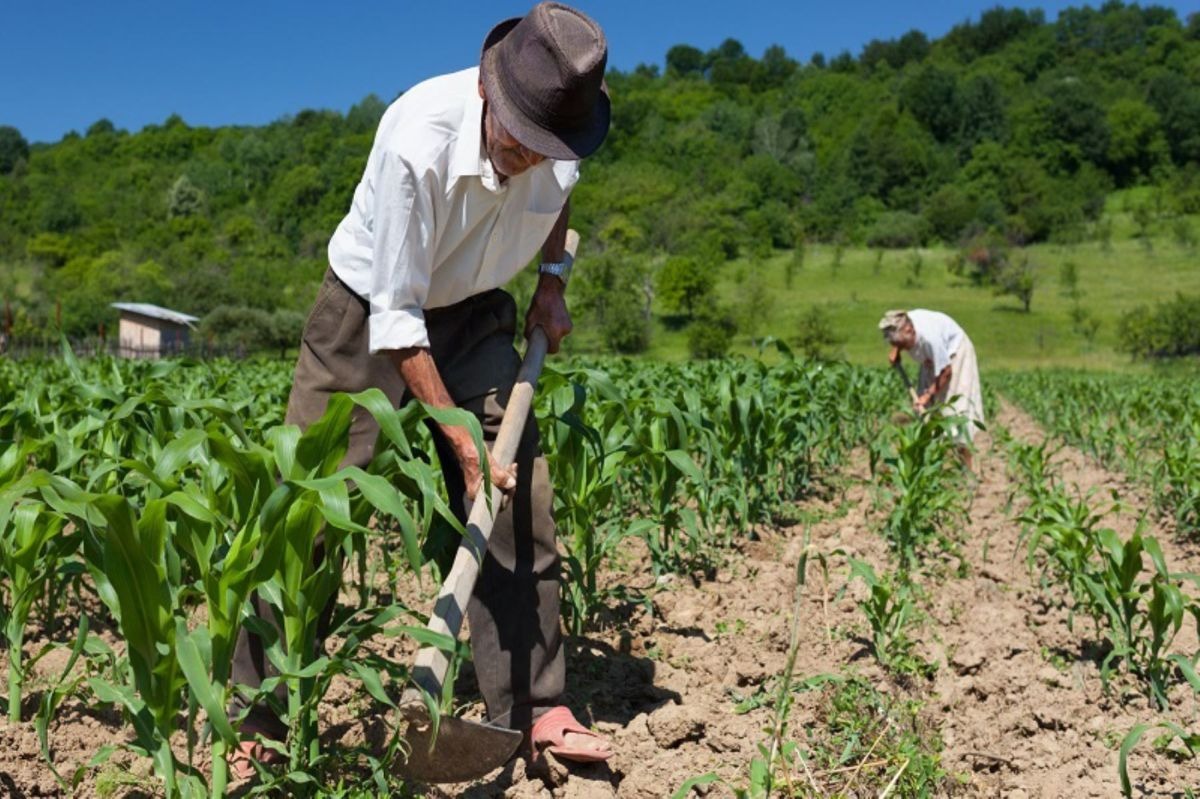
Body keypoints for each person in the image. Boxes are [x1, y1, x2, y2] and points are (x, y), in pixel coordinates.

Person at [228, 1, 613, 778]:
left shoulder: (562, 135)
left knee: (518, 493)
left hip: (475, 308)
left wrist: (551, 280)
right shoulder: (417, 139)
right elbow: (398, 320)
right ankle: (257, 710)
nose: (528, 159)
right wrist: (458, 441)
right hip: (370, 307)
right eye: (517, 140)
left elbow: (559, 196)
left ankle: (534, 707)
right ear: (487, 90)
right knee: (310, 505)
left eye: (545, 148)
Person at [879, 309, 984, 469]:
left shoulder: (930, 338)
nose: (904, 349)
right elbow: (896, 334)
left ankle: (967, 470)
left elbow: (946, 371)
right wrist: (896, 349)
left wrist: (927, 395)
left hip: (955, 354)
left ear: (910, 331)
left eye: (903, 345)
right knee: (925, 412)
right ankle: (932, 465)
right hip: (933, 358)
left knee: (955, 413)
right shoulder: (902, 322)